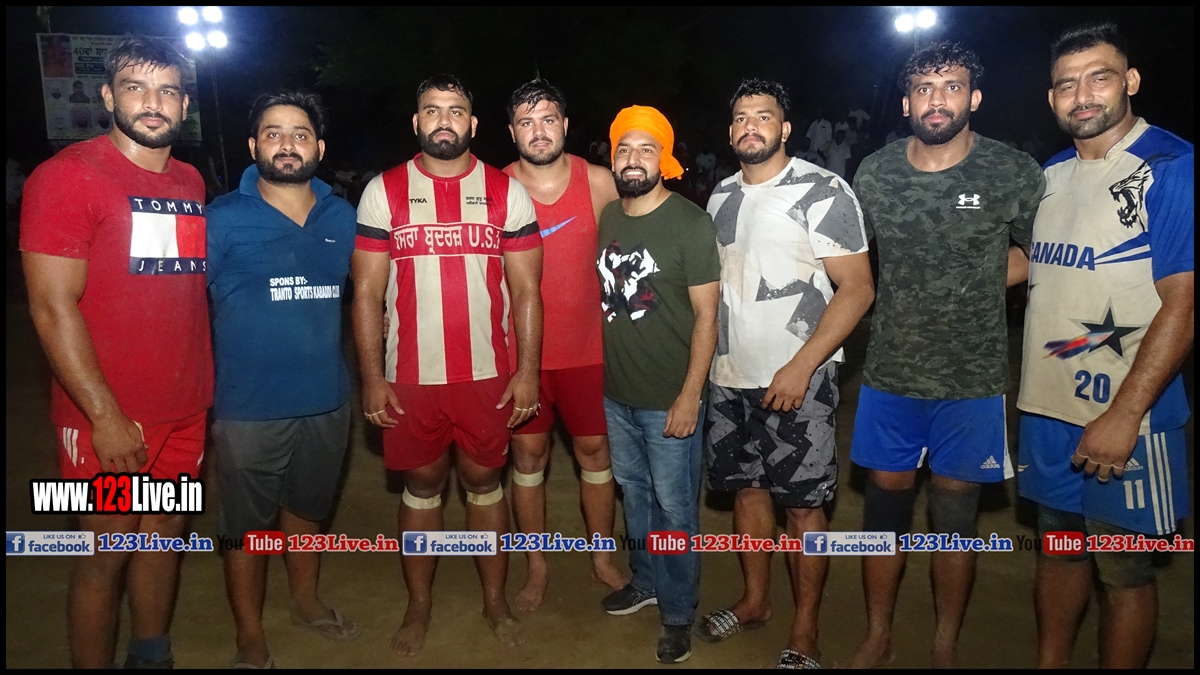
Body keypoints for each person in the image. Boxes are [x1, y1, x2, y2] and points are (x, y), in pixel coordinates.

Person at [846, 41, 1045, 668]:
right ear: (907, 103)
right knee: (883, 512)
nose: (938, 100)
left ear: (974, 98)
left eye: (952, 87)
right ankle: (878, 634)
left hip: (972, 380)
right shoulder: (875, 174)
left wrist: (977, 282)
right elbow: (849, 260)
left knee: (955, 518)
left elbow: (1038, 253)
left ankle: (944, 644)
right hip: (890, 374)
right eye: (924, 89)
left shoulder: (1012, 172)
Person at [20, 35, 211, 669]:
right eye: (136, 87)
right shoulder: (67, 176)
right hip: (108, 418)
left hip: (184, 410)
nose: (153, 103)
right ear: (107, 96)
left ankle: (151, 655)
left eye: (167, 90)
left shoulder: (189, 180)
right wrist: (103, 415)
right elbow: (52, 307)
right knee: (106, 554)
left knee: (163, 538)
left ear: (184, 104)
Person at [1018, 23, 1193, 669]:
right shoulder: (1052, 174)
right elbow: (1038, 260)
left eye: (1100, 77)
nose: (1083, 95)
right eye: (1067, 84)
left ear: (1131, 82)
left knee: (1123, 573)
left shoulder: (1171, 166)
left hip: (1129, 418)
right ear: (1052, 97)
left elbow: (1185, 302)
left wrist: (1125, 414)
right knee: (1060, 552)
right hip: (1048, 408)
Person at [352, 74, 543, 656]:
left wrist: (527, 371)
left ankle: (494, 601)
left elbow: (527, 290)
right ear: (416, 122)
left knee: (484, 485)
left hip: (488, 375)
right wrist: (372, 378)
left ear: (473, 124)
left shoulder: (506, 191)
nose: (444, 120)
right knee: (422, 485)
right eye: (432, 110)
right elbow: (366, 293)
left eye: (456, 110)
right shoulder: (383, 190)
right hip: (410, 378)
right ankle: (419, 604)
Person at [695, 79, 874, 669]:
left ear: (785, 128)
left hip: (799, 379)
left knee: (802, 507)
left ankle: (805, 630)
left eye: (763, 116)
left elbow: (858, 288)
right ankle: (755, 601)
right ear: (730, 131)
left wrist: (802, 365)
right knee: (748, 492)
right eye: (741, 117)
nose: (751, 125)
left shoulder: (823, 191)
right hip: (729, 376)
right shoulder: (721, 195)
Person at [207, 91, 361, 669]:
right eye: (273, 133)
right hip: (247, 409)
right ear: (254, 146)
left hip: (327, 401)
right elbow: (184, 308)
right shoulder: (221, 219)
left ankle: (306, 600)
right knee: (246, 527)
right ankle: (249, 634)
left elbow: (372, 296)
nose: (287, 144)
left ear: (319, 147)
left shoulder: (342, 217)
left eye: (300, 134)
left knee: (307, 509)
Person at [596, 105, 720, 664]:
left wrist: (690, 395)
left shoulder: (690, 224)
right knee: (635, 494)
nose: (633, 159)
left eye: (646, 149)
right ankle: (646, 581)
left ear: (663, 159)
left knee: (675, 511)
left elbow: (707, 316)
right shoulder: (609, 217)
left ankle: (677, 612)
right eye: (624, 148)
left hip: (670, 399)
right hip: (617, 395)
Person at [501, 79, 626, 610]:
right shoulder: (496, 187)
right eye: (526, 122)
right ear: (512, 132)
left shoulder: (598, 181)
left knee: (594, 452)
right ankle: (536, 565)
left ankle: (602, 556)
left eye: (548, 119)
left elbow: (636, 252)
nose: (538, 131)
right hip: (521, 356)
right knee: (528, 455)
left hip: (588, 352)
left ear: (565, 125)